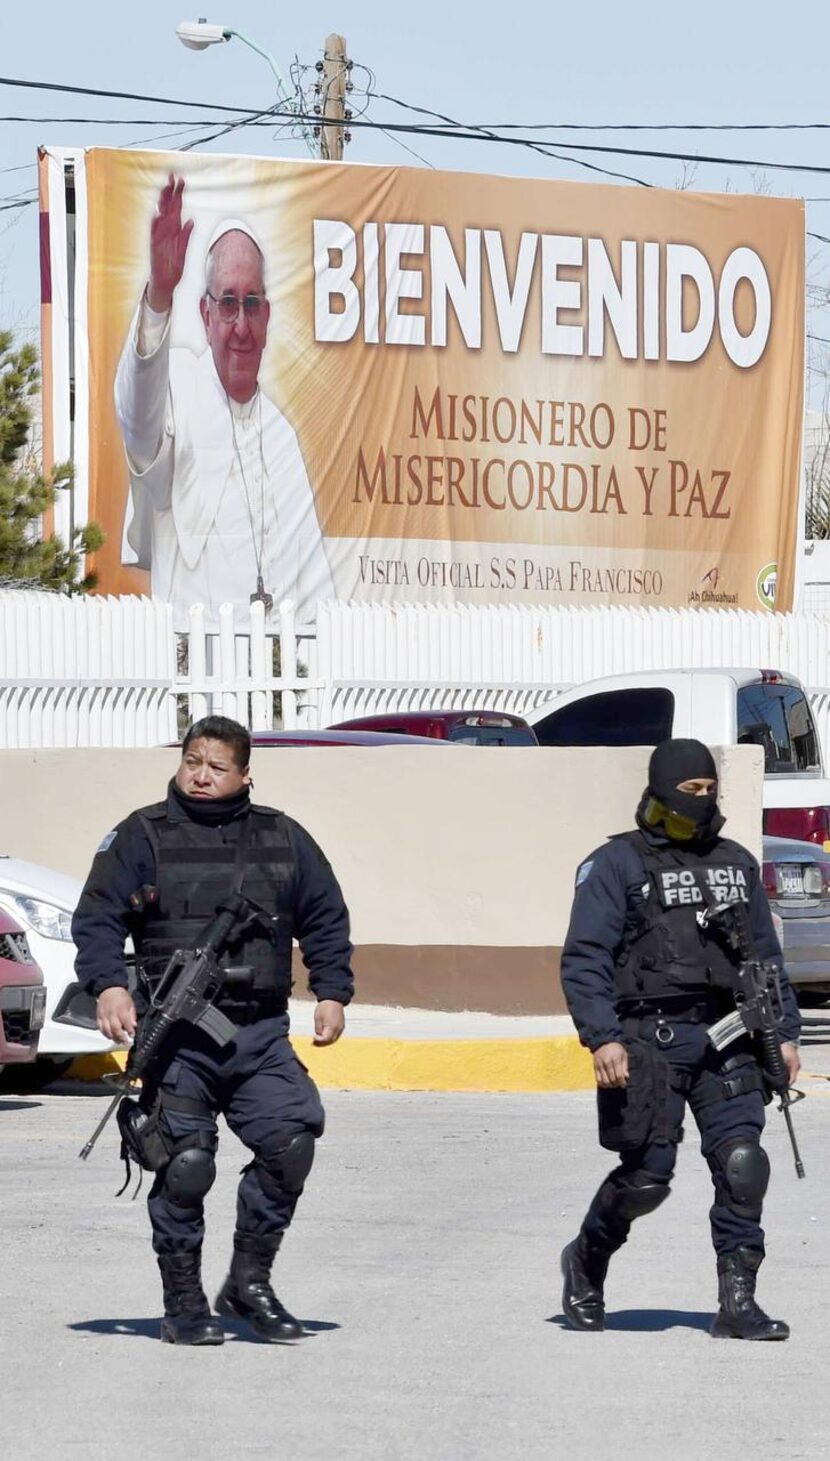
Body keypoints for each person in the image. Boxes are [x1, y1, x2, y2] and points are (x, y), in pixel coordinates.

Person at [72, 715, 353, 1346]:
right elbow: (96, 918)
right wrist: (109, 985)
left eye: (216, 765)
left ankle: (249, 1283)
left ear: (245, 773)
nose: (200, 774)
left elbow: (327, 918)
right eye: (192, 761)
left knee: (291, 1144)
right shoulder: (140, 835)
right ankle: (184, 1304)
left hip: (257, 1033)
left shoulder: (284, 837)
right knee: (187, 1164)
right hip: (177, 1041)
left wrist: (333, 991)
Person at [559, 738, 801, 1340]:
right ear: (662, 788)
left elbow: (765, 958)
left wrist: (786, 1034)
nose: (702, 800)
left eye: (709, 790)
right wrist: (601, 1038)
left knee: (744, 1165)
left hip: (729, 1036)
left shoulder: (736, 862)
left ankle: (738, 1304)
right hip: (648, 1038)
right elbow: (586, 957)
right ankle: (586, 1261)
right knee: (646, 1177)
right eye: (690, 790)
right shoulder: (616, 864)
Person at [115, 174, 335, 626]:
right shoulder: (177, 385)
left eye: (251, 304)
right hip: (193, 672)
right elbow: (137, 424)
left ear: (267, 316)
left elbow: (319, 602)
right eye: (228, 304)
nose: (240, 327)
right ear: (206, 314)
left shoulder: (282, 436)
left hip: (275, 682)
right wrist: (159, 295)